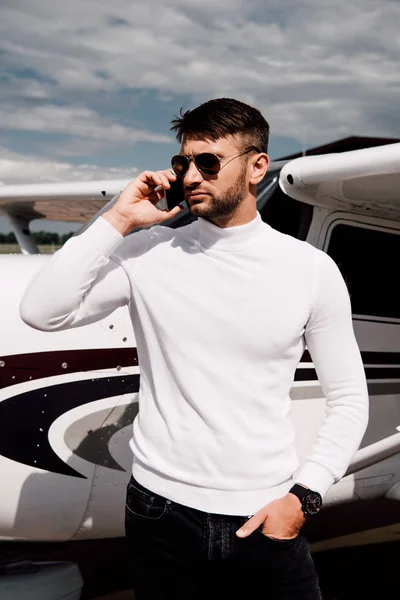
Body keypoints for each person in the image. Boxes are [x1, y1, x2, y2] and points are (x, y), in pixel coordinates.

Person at [20, 98, 369, 600]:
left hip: (262, 513)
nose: (190, 176)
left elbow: (349, 398)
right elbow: (42, 311)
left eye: (208, 163)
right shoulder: (147, 251)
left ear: (257, 167)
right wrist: (117, 218)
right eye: (184, 162)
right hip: (157, 511)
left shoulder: (311, 270)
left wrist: (304, 496)